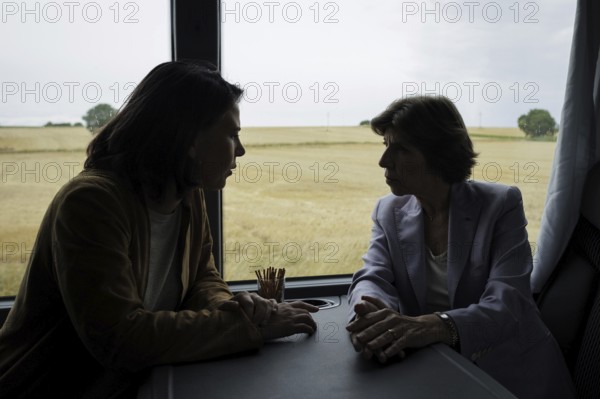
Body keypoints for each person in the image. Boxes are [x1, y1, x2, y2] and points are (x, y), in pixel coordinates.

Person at [0, 61, 318, 398]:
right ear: (190, 137)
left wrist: (232, 305)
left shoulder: (188, 197)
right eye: (231, 134)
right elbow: (121, 339)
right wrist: (248, 326)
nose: (240, 149)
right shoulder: (91, 203)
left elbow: (202, 277)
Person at [346, 96, 576, 398]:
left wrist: (433, 327)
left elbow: (509, 304)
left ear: (437, 154)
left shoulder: (501, 204)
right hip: (439, 372)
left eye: (400, 148)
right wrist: (372, 316)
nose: (384, 161)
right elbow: (372, 277)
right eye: (385, 145)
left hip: (513, 377)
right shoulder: (388, 211)